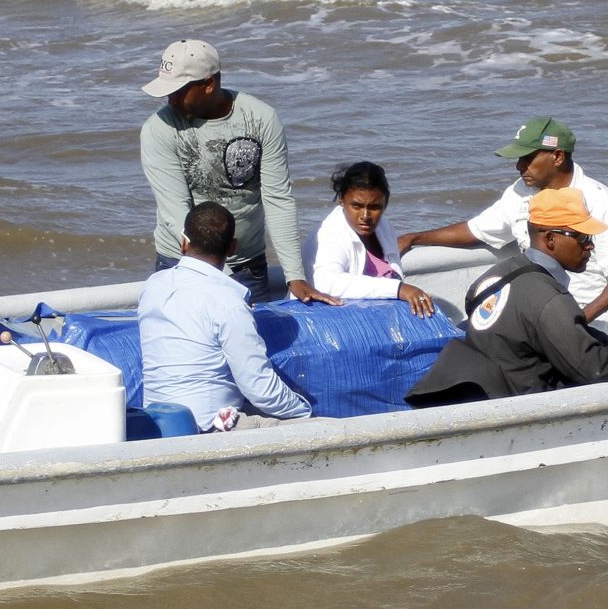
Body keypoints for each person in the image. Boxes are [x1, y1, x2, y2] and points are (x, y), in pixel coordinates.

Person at [406, 188, 608, 406]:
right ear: (550, 238)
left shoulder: (493, 277)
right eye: (583, 238)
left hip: (466, 388)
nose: (590, 246)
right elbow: (594, 367)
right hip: (509, 404)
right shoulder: (549, 298)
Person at [397, 116, 608, 333]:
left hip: (589, 320)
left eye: (527, 158)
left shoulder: (597, 198)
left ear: (557, 156)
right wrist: (414, 238)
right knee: (461, 338)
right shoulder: (521, 191)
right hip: (536, 312)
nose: (518, 166)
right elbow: (476, 230)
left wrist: (577, 320)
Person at [139, 38, 330, 305]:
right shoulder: (158, 129)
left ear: (208, 84)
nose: (169, 99)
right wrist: (224, 280)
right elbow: (176, 211)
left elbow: (278, 198)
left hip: (248, 266)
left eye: (178, 90)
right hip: (183, 264)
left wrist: (295, 276)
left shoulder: (261, 118)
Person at [137, 202, 315, 432]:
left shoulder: (153, 286)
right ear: (232, 247)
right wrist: (305, 412)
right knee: (326, 428)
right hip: (209, 427)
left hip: (156, 422)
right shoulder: (228, 304)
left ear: (184, 242)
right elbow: (260, 389)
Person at [311, 161, 438, 317]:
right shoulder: (331, 231)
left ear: (386, 204)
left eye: (374, 207)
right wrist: (398, 289)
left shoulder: (384, 227)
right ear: (341, 200)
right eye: (356, 206)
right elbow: (326, 283)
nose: (365, 216)